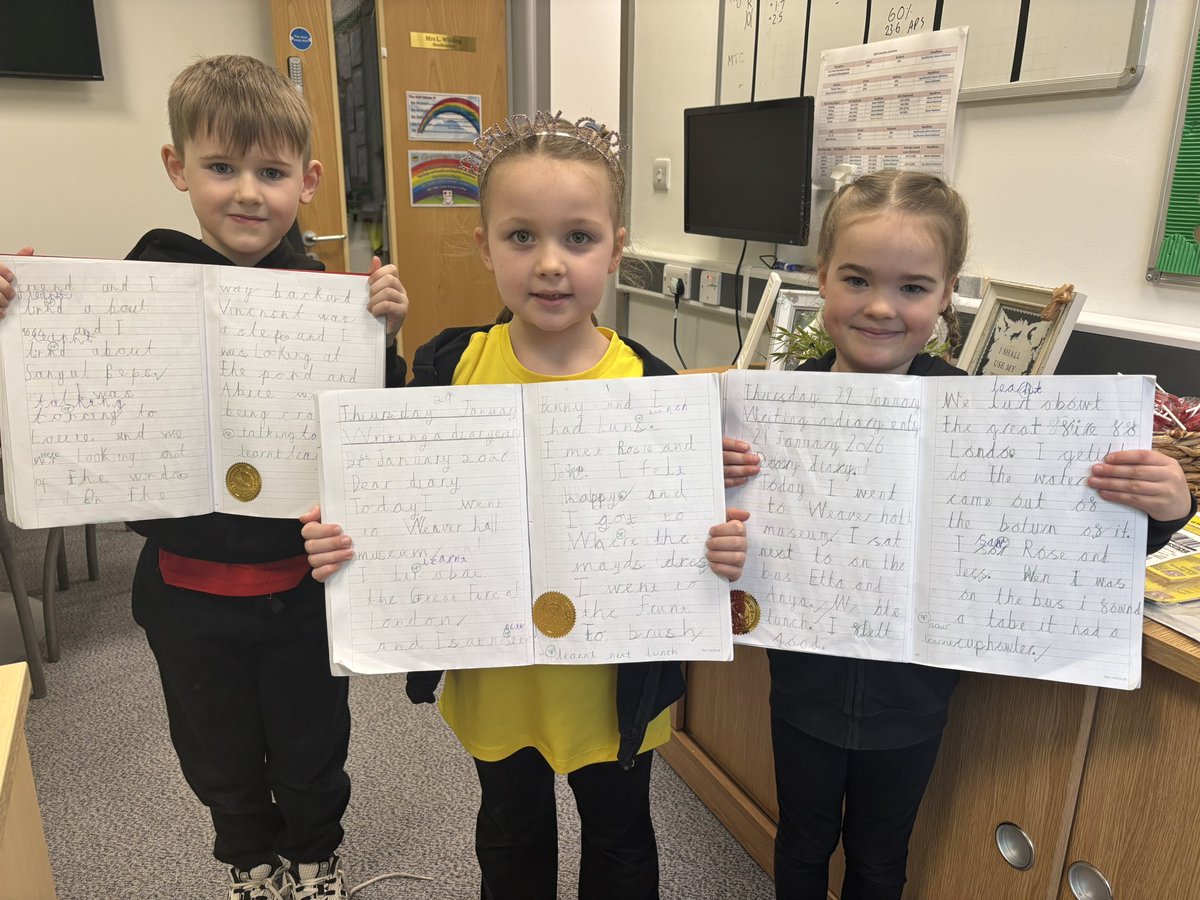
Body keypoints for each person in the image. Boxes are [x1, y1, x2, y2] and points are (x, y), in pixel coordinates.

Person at [301, 110, 749, 900]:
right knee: (510, 836)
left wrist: (717, 514)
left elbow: (690, 539)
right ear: (484, 246)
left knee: (621, 838)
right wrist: (348, 537)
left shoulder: (658, 391)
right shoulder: (449, 367)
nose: (550, 264)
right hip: (500, 678)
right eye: (520, 237)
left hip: (614, 685)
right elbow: (400, 500)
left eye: (578, 237)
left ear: (616, 247)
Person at [721, 169, 1197, 900]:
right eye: (856, 279)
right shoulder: (771, 408)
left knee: (880, 857)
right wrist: (714, 492)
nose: (881, 306)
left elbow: (1072, 540)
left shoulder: (985, 417)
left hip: (913, 704)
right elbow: (716, 531)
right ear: (821, 278)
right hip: (802, 689)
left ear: (947, 295)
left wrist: (1165, 507)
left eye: (912, 287)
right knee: (803, 841)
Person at [1, 54, 409, 900]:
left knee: (312, 748)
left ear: (309, 181)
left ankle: (314, 856)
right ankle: (250, 864)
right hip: (186, 595)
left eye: (272, 173)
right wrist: (16, 315)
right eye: (222, 167)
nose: (247, 193)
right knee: (214, 752)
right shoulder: (132, 288)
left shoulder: (331, 301)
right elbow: (68, 395)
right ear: (177, 166)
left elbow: (376, 440)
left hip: (303, 592)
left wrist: (384, 343)